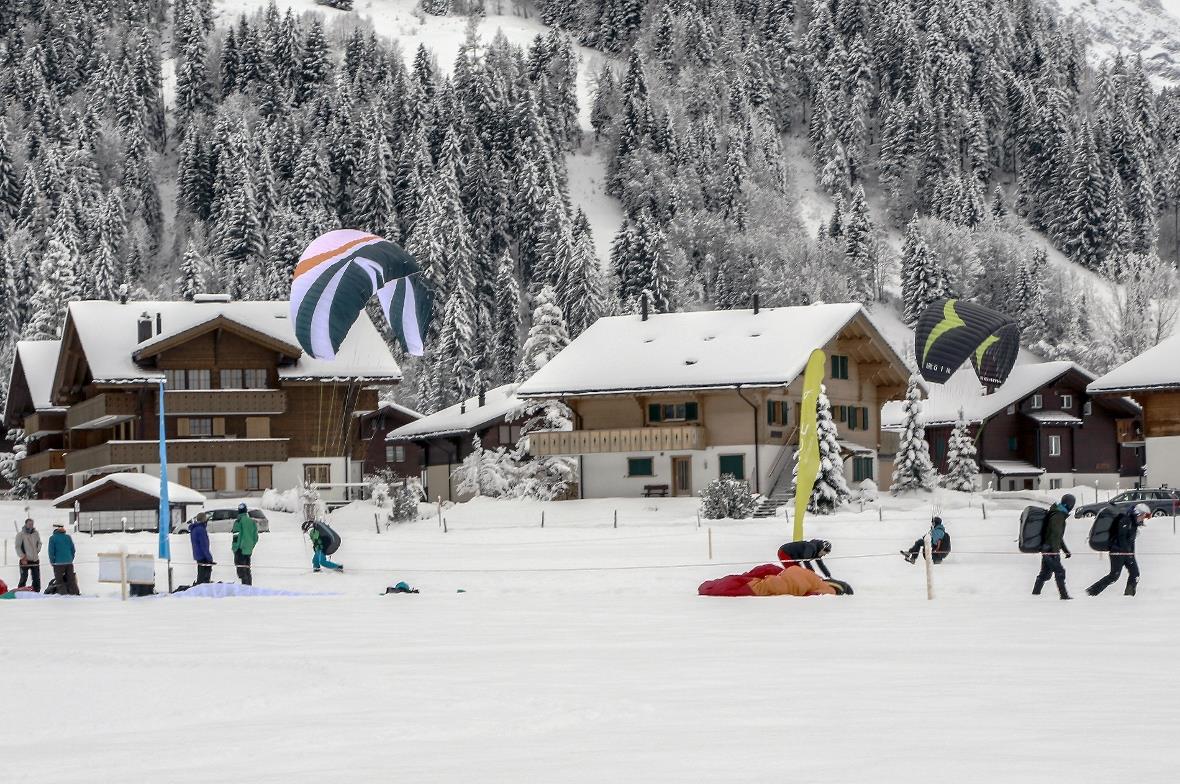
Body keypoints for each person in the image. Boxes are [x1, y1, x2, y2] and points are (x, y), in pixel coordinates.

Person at [1087, 503, 1148, 597]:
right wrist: (1127, 552)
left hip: (1127, 553)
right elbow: (1121, 537)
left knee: (1135, 574)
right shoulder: (1125, 520)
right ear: (1137, 513)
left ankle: (1129, 595)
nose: (1144, 518)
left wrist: (1131, 554)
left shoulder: (1134, 524)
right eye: (1144, 515)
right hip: (1117, 551)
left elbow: (1131, 541)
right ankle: (1091, 591)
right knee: (1114, 576)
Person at [1033, 493, 1074, 600]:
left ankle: (1035, 594)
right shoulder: (1058, 515)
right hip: (1050, 549)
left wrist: (1065, 550)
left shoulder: (1058, 513)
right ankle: (1064, 595)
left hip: (1047, 548)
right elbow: (1055, 535)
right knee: (1060, 571)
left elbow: (1058, 536)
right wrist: (1055, 553)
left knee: (1045, 574)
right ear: (1070, 504)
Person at [47, 522, 80, 596]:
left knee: (59, 580)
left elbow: (51, 551)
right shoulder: (68, 537)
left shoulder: (52, 538)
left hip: (58, 563)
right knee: (71, 579)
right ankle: (75, 593)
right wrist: (70, 559)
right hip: (69, 562)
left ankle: (63, 594)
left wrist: (52, 562)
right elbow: (73, 550)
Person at [231, 503, 258, 585]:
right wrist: (251, 545)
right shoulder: (252, 521)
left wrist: (235, 548)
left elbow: (236, 536)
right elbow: (255, 537)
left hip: (240, 549)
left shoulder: (238, 522)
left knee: (241, 570)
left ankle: (245, 587)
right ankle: (249, 586)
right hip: (248, 549)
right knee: (247, 569)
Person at [15, 518, 42, 592]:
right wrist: (22, 557)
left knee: (36, 578)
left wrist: (37, 550)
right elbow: (17, 547)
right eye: (29, 524)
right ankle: (20, 591)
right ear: (26, 524)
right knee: (24, 577)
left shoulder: (35, 533)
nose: (31, 525)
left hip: (35, 559)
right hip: (25, 560)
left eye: (32, 524)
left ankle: (36, 591)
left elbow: (39, 543)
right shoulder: (20, 534)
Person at [189, 512, 215, 585]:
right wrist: (209, 558)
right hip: (203, 555)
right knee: (204, 576)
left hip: (197, 554)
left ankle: (199, 585)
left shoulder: (194, 529)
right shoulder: (201, 529)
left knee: (200, 573)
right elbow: (204, 545)